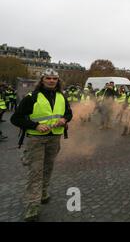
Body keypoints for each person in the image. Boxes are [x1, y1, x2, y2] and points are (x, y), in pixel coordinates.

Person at [10, 69, 73, 222]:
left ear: (58, 81)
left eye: (54, 78)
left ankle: (44, 192)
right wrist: (35, 125)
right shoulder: (32, 97)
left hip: (54, 139)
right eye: (48, 78)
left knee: (48, 168)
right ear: (42, 80)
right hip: (36, 140)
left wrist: (64, 120)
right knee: (35, 172)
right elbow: (15, 118)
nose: (51, 81)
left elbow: (69, 113)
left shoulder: (61, 96)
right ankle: (33, 206)